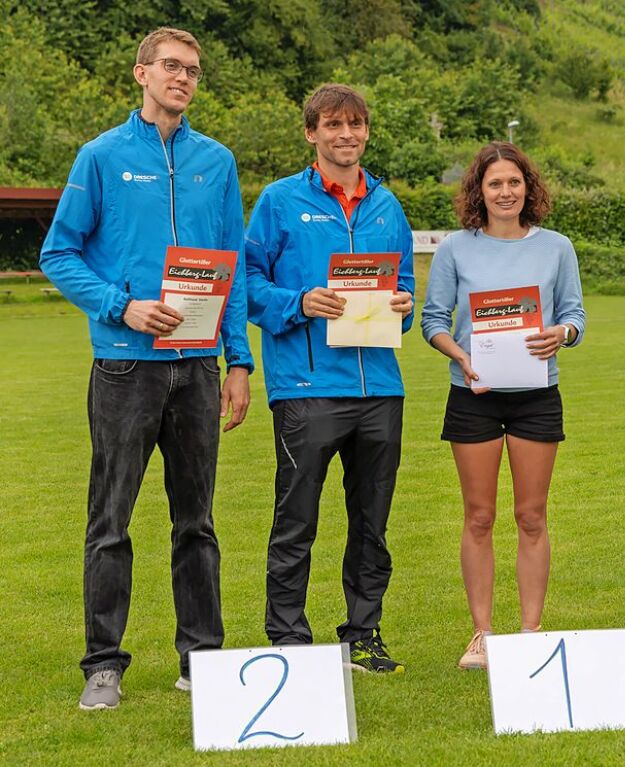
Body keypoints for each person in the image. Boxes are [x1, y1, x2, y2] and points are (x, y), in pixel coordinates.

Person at [39, 27, 253, 710]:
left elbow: (235, 262)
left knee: (198, 521)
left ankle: (203, 658)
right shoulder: (101, 156)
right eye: (170, 66)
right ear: (141, 74)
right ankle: (104, 663)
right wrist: (121, 306)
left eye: (192, 70)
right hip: (125, 367)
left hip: (196, 368)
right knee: (111, 520)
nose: (182, 78)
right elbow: (59, 252)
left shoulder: (216, 162)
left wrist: (239, 361)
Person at [245, 84, 414, 673]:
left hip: (379, 391)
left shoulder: (387, 205)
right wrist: (299, 301)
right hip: (306, 387)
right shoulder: (278, 201)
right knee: (296, 521)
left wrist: (402, 304)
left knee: (372, 525)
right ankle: (288, 638)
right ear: (311, 133)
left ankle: (362, 636)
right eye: (334, 125)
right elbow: (247, 285)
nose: (347, 134)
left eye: (357, 124)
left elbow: (407, 289)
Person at [421, 142, 585, 670]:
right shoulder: (454, 249)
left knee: (532, 516)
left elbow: (575, 316)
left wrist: (561, 333)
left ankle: (531, 631)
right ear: (479, 191)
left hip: (537, 396)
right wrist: (462, 357)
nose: (506, 191)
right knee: (479, 517)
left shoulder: (556, 247)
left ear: (528, 187)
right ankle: (482, 635)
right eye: (495, 183)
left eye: (514, 182)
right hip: (474, 396)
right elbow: (433, 321)